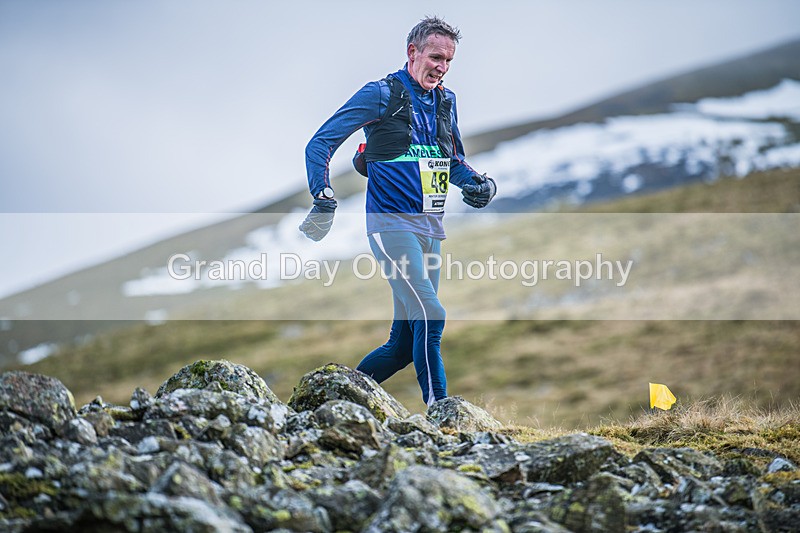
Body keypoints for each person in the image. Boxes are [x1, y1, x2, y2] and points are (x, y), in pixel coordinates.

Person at [300, 16, 496, 407]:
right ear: (413, 53)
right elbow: (319, 143)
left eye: (449, 61)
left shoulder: (446, 101)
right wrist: (323, 195)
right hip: (389, 227)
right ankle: (441, 412)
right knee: (432, 313)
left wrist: (479, 184)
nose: (441, 67)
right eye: (435, 57)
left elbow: (452, 160)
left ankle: (337, 402)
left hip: (430, 230)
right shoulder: (381, 94)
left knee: (403, 345)